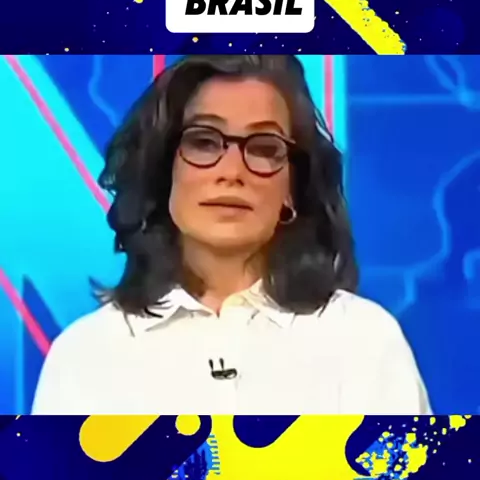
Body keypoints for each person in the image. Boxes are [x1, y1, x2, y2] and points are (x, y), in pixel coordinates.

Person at [32, 54, 431, 415]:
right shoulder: (86, 356)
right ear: (163, 172)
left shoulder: (364, 341)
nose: (232, 172)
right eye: (204, 142)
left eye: (264, 148)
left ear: (292, 189)